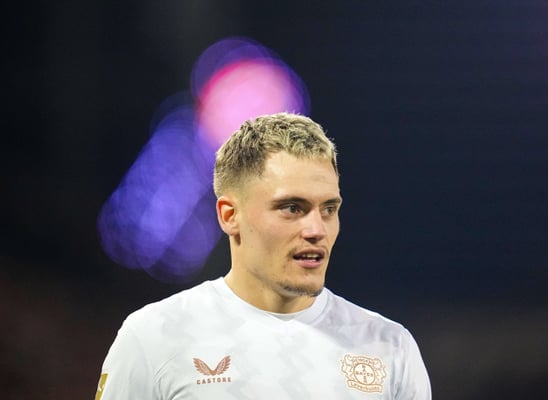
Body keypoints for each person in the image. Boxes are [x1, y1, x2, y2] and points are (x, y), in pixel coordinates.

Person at [95, 112, 431, 399]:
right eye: (292, 208)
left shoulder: (389, 346)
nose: (317, 229)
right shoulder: (154, 337)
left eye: (329, 209)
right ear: (230, 216)